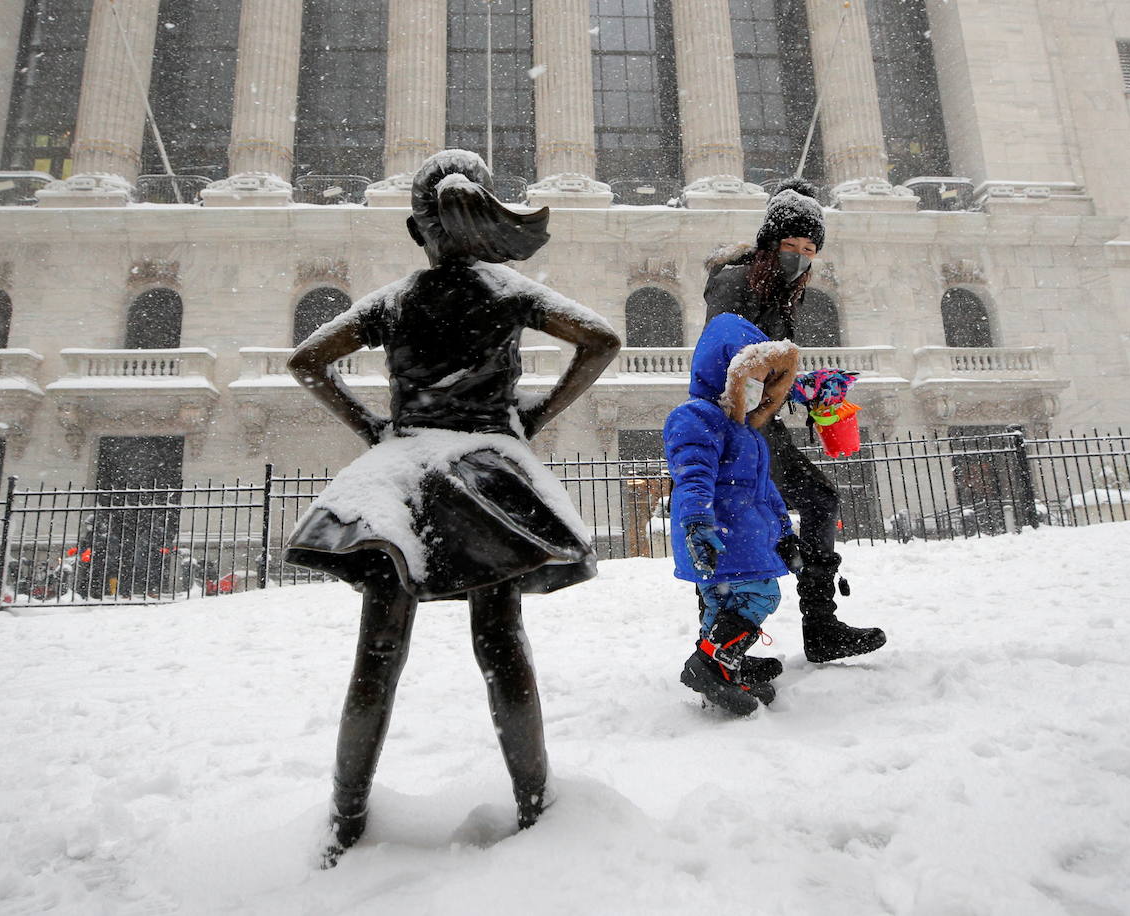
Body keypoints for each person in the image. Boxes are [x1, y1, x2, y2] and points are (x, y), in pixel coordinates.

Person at [285, 149, 621, 867]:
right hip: (484, 476)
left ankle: (346, 818)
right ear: (483, 221)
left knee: (378, 655)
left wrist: (373, 428)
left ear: (420, 230)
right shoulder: (507, 290)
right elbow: (602, 340)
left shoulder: (396, 299)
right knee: (501, 645)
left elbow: (308, 361)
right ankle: (537, 804)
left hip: (403, 476)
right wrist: (533, 415)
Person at [703, 178, 886, 664]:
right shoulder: (733, 282)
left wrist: (802, 386)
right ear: (769, 243)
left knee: (790, 514)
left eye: (809, 249)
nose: (800, 256)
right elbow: (730, 355)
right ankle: (742, 643)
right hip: (736, 425)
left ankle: (798, 628)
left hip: (761, 422)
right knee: (756, 527)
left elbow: (770, 361)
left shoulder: (784, 290)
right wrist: (783, 381)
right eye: (790, 245)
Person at [664, 312, 801, 714]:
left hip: (746, 535)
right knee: (760, 595)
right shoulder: (696, 418)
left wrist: (784, 532)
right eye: (752, 380)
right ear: (727, 375)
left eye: (765, 384)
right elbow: (692, 477)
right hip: (722, 534)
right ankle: (712, 662)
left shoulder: (747, 432)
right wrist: (696, 521)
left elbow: (765, 493)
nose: (759, 392)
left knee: (722, 604)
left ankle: (723, 660)